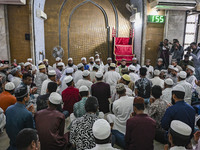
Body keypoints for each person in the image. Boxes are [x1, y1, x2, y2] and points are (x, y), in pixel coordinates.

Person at [107, 84, 133, 149]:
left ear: (117, 93)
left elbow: (115, 114)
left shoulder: (116, 103)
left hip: (119, 125)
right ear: (125, 90)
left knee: (109, 116)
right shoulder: (132, 99)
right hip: (130, 123)